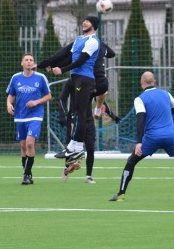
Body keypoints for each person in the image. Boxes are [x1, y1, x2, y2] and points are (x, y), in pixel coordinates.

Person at [108, 72, 174, 202]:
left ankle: (121, 194)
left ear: (141, 83)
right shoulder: (166, 94)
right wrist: (163, 110)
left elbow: (140, 120)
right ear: (154, 82)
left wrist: (138, 142)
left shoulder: (140, 99)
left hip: (151, 138)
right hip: (171, 136)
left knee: (131, 162)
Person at [38, 37, 119, 184]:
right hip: (74, 118)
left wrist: (112, 115)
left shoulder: (91, 83)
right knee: (72, 145)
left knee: (90, 146)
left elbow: (102, 97)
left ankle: (88, 175)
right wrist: (62, 116)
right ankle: (68, 167)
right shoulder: (72, 81)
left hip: (88, 119)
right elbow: (62, 98)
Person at [49, 16, 102, 177]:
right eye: (83, 20)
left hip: (85, 84)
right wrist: (58, 65)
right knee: (78, 114)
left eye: (88, 21)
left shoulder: (93, 41)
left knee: (81, 115)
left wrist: (62, 69)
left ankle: (78, 152)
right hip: (77, 82)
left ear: (94, 25)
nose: (84, 22)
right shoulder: (79, 39)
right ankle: (74, 150)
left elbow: (80, 60)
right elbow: (71, 57)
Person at [6, 53, 51, 185]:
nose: (29, 62)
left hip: (35, 115)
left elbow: (48, 96)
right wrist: (9, 104)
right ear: (22, 63)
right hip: (20, 116)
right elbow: (11, 95)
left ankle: (26, 174)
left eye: (31, 60)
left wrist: (36, 102)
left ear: (33, 63)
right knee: (23, 145)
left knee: (30, 143)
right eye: (26, 60)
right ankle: (28, 173)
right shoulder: (15, 78)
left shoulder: (41, 77)